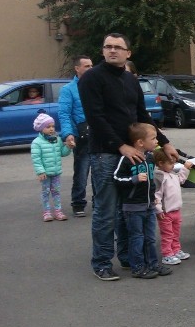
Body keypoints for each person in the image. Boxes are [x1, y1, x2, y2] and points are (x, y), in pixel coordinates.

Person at [78, 33, 179, 282]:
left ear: (128, 53)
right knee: (106, 211)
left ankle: (128, 258)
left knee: (129, 211)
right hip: (106, 153)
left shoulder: (130, 80)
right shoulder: (92, 78)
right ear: (103, 51)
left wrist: (164, 143)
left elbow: (141, 115)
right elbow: (95, 118)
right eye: (108, 47)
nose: (112, 51)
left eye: (118, 47)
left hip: (133, 153)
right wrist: (121, 146)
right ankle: (101, 262)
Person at [113, 123, 172, 279]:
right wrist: (134, 179)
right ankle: (138, 267)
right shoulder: (127, 160)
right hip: (133, 207)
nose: (156, 142)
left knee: (150, 237)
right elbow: (116, 178)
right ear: (140, 142)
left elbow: (152, 183)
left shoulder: (150, 158)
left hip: (149, 206)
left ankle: (152, 264)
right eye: (153, 139)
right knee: (137, 238)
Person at [59, 55, 94, 217]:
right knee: (81, 171)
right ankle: (78, 202)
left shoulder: (97, 85)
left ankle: (99, 201)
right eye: (86, 66)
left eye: (91, 65)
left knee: (101, 170)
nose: (90, 69)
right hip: (81, 136)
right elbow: (64, 114)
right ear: (77, 68)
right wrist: (68, 134)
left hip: (99, 133)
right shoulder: (68, 90)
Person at [154, 150, 193, 266]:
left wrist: (185, 168)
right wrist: (158, 209)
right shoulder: (160, 177)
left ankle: (175, 250)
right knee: (167, 235)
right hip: (166, 212)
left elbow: (181, 179)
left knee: (175, 233)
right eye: (171, 163)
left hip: (176, 210)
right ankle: (167, 254)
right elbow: (157, 195)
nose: (173, 166)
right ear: (161, 163)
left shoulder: (172, 174)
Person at [31, 113, 71, 222]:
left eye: (53, 126)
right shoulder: (37, 143)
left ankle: (58, 211)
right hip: (45, 174)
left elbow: (62, 153)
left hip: (56, 172)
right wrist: (40, 171)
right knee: (45, 192)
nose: (51, 129)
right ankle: (47, 212)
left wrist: (68, 146)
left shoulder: (57, 139)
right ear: (40, 128)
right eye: (48, 127)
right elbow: (36, 159)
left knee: (56, 191)